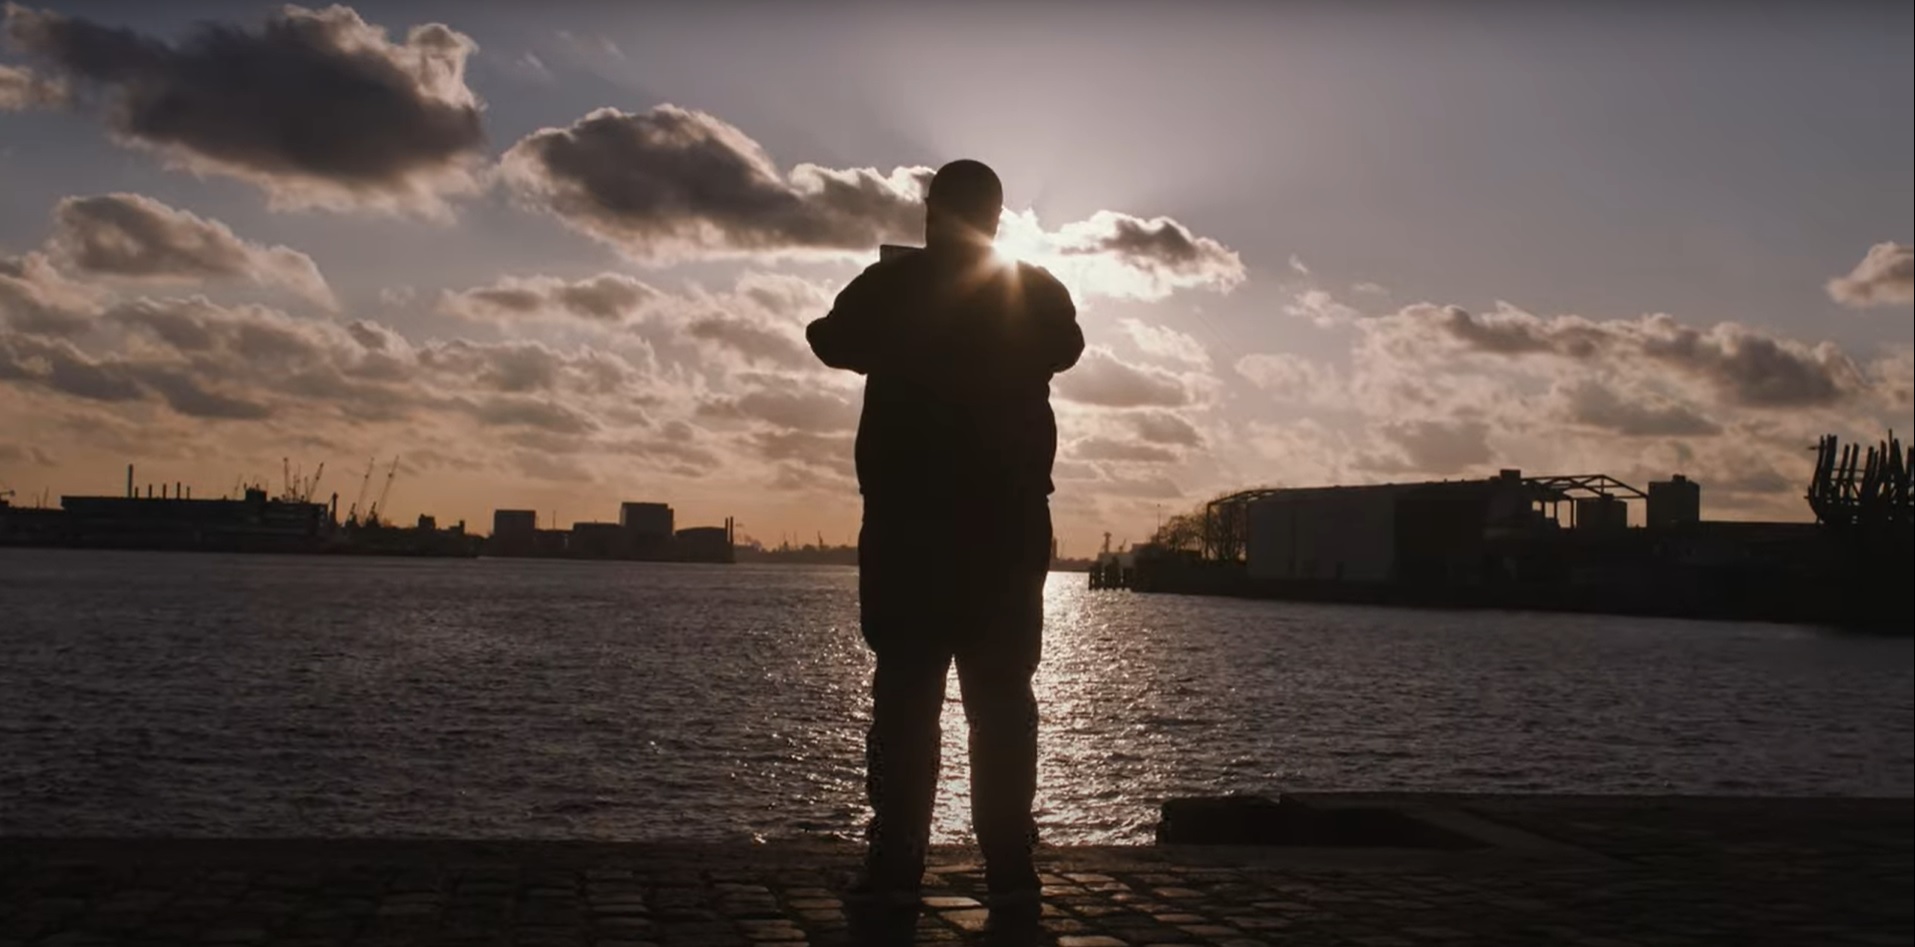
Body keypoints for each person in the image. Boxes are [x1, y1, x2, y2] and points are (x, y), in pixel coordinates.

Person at [806, 159, 1084, 912]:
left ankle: (897, 858)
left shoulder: (891, 286)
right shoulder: (1036, 291)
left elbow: (829, 339)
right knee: (1002, 698)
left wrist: (910, 311)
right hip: (1005, 529)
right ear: (996, 217)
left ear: (931, 212)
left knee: (905, 694)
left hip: (910, 528)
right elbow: (1064, 346)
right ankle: (1009, 864)